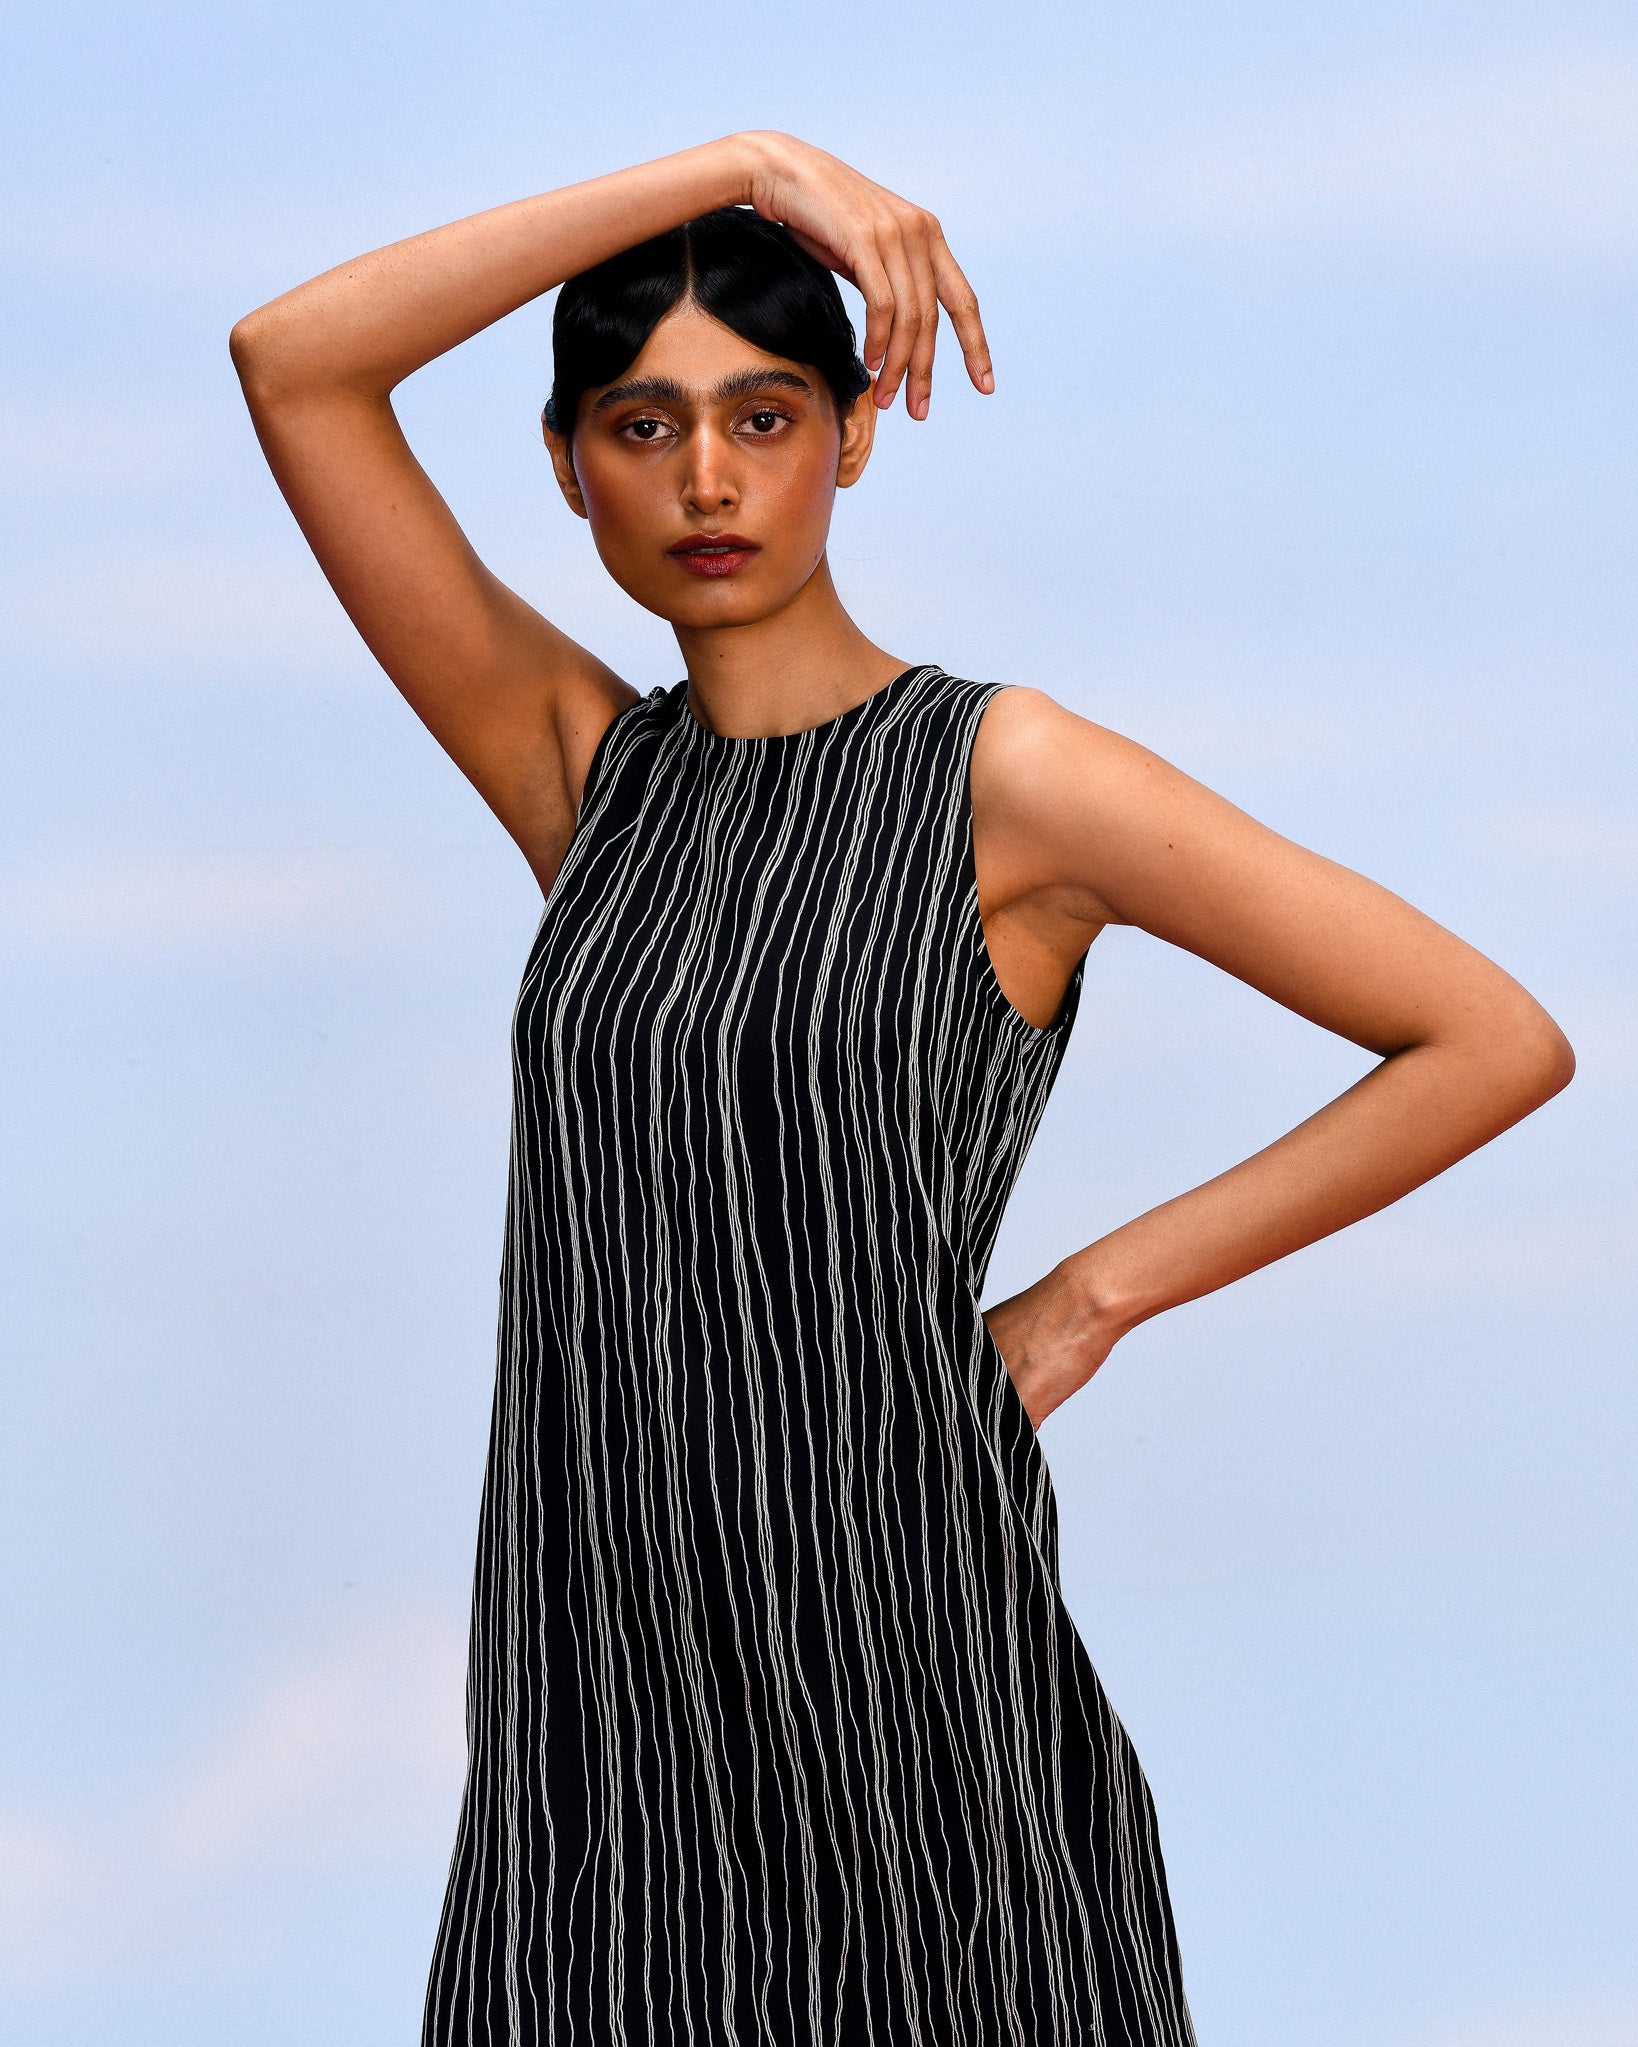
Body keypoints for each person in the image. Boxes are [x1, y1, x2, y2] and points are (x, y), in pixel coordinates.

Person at [229, 131, 1574, 2047]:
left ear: (853, 435)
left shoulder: (1004, 778)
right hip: (593, 1707)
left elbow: (1487, 1038)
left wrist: (1092, 1295)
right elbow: (296, 363)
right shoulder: (584, 776)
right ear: (567, 467)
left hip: (902, 1650)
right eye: (642, 426)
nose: (706, 479)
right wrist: (740, 162)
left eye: (765, 417)